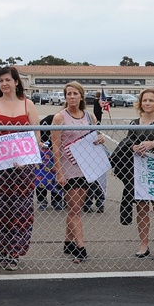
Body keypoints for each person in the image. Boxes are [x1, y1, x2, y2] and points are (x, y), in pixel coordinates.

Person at [0, 66, 40, 270]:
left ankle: (14, 252)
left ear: (16, 82)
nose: (4, 84)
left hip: (22, 171)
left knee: (19, 210)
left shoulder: (28, 105)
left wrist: (29, 160)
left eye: (8, 80)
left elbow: (36, 138)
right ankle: (2, 250)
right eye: (1, 80)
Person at [118, 89, 154, 261]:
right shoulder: (135, 123)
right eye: (144, 100)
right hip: (139, 170)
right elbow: (127, 142)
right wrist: (133, 147)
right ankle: (143, 244)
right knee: (141, 208)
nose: (147, 103)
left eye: (151, 100)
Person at [51, 81, 104, 264]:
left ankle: (68, 242)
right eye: (68, 94)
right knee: (74, 208)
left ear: (81, 96)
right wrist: (59, 172)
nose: (71, 97)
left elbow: (94, 136)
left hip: (86, 167)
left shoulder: (89, 117)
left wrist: (100, 138)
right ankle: (80, 246)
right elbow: (55, 147)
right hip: (68, 168)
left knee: (77, 207)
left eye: (75, 94)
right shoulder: (59, 118)